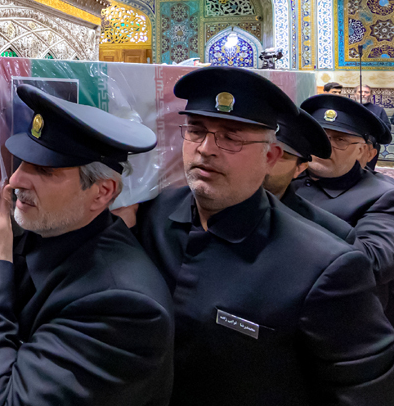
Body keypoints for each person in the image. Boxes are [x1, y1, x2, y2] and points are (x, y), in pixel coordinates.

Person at [135, 67, 394, 405]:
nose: (206, 149)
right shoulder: (152, 215)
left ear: (270, 156)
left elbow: (366, 391)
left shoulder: (324, 266)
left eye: (231, 137)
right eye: (196, 130)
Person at [0, 85, 174, 405]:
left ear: (102, 192)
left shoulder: (123, 306)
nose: (16, 180)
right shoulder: (43, 232)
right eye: (22, 161)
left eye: (44, 170)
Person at [292, 94, 394, 307]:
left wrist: (291, 207)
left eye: (340, 140)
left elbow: (373, 263)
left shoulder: (382, 194)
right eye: (319, 135)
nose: (325, 146)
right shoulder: (285, 176)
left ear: (364, 151)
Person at [263, 108, 355, 243]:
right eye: (258, 150)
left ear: (299, 168)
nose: (262, 159)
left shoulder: (328, 232)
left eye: (280, 155)